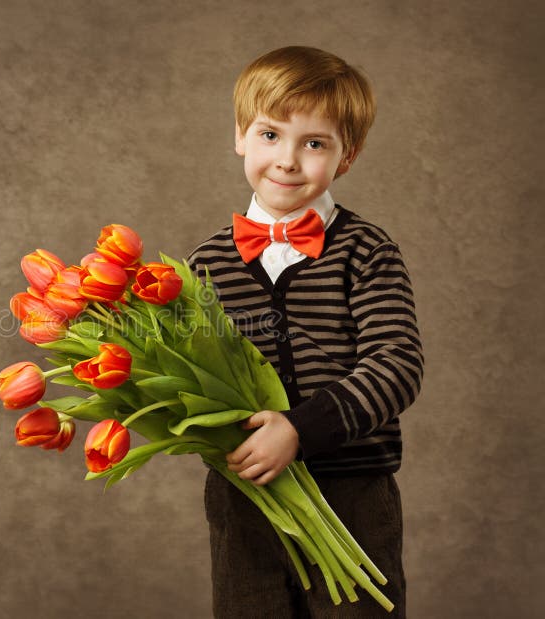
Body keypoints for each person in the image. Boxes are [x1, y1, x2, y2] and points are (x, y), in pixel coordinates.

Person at [187, 46, 424, 618]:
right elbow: (191, 378)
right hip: (245, 500)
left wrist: (300, 428)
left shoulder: (367, 251)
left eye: (314, 143)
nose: (287, 160)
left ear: (347, 157)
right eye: (270, 135)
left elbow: (397, 364)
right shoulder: (203, 265)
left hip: (353, 493)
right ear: (241, 135)